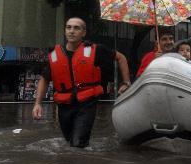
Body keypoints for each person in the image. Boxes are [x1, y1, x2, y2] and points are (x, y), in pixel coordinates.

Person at [32, 17, 131, 148]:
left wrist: (126, 82)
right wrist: (37, 103)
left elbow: (121, 58)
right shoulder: (54, 55)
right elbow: (44, 79)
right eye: (68, 27)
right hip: (64, 104)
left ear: (83, 33)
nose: (72, 31)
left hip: (86, 103)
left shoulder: (96, 50)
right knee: (69, 142)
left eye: (76, 28)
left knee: (78, 143)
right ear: (65, 31)